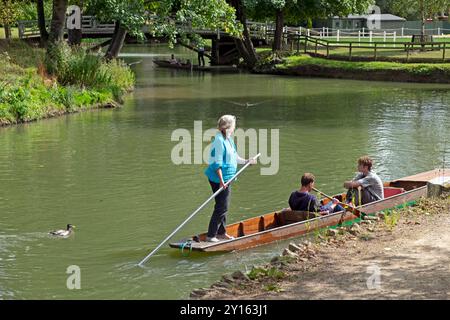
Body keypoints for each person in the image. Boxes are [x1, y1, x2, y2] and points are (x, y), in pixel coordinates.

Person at [204, 115, 257, 242]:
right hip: (219, 179)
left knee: (223, 206)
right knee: (221, 207)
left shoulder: (228, 139)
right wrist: (222, 181)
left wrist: (246, 161)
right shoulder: (219, 140)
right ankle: (211, 235)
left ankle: (221, 233)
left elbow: (234, 157)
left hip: (227, 178)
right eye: (233, 126)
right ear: (227, 127)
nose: (234, 128)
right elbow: (217, 163)